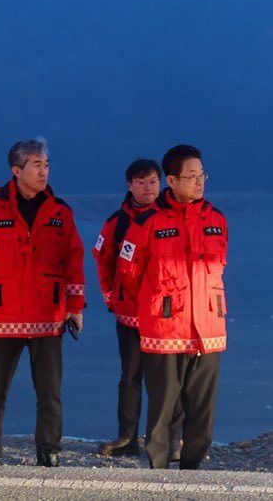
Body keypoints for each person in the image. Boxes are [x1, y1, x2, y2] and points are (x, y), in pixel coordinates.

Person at [0, 139, 85, 467]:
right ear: (16, 171)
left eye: (46, 164)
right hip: (3, 316)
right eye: (35, 165)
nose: (43, 171)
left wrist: (75, 307)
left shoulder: (61, 212)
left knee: (50, 393)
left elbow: (74, 260)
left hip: (49, 315)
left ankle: (49, 452)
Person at [117, 144, 227, 470]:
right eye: (191, 176)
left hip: (208, 329)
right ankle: (159, 475)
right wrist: (156, 304)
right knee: (163, 407)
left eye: (202, 174)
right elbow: (128, 270)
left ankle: (192, 471)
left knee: (202, 409)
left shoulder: (216, 219)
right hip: (165, 329)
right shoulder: (148, 221)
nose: (199, 181)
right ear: (172, 180)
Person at [93, 159, 183, 457]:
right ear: (130, 185)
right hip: (130, 315)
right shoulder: (116, 222)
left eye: (153, 181)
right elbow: (103, 261)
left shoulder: (175, 219)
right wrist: (111, 298)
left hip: (167, 315)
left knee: (169, 380)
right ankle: (127, 437)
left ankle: (172, 441)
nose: (148, 188)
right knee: (130, 376)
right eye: (141, 182)